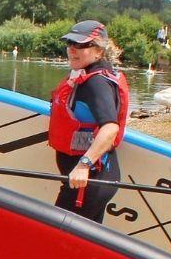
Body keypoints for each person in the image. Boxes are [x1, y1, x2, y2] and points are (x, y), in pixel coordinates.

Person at [49, 20, 129, 224]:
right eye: (70, 44)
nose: (72, 50)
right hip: (94, 180)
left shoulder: (96, 82)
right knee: (78, 247)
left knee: (56, 239)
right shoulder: (90, 74)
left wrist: (84, 165)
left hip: (89, 181)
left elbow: (110, 128)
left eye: (81, 45)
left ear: (99, 51)